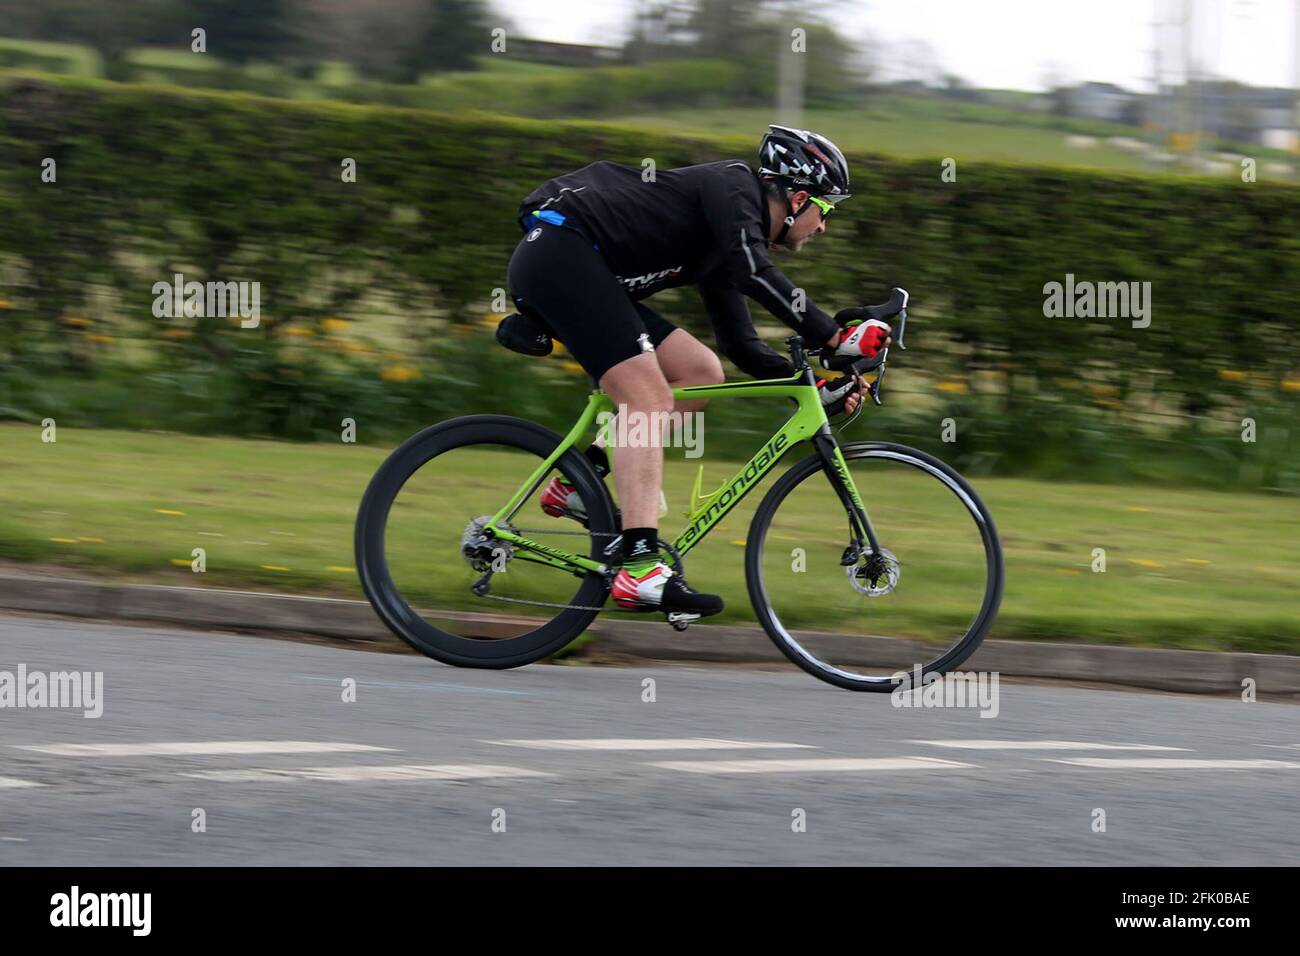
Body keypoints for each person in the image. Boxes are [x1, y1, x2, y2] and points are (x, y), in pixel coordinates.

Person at [506, 125, 891, 619]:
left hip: (580, 270)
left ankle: (580, 482)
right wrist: (833, 337)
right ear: (798, 198)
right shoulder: (731, 187)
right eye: (826, 211)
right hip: (560, 255)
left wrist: (816, 384)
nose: (823, 227)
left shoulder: (726, 240)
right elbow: (755, 272)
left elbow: (741, 345)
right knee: (646, 399)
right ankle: (641, 568)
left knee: (701, 371)